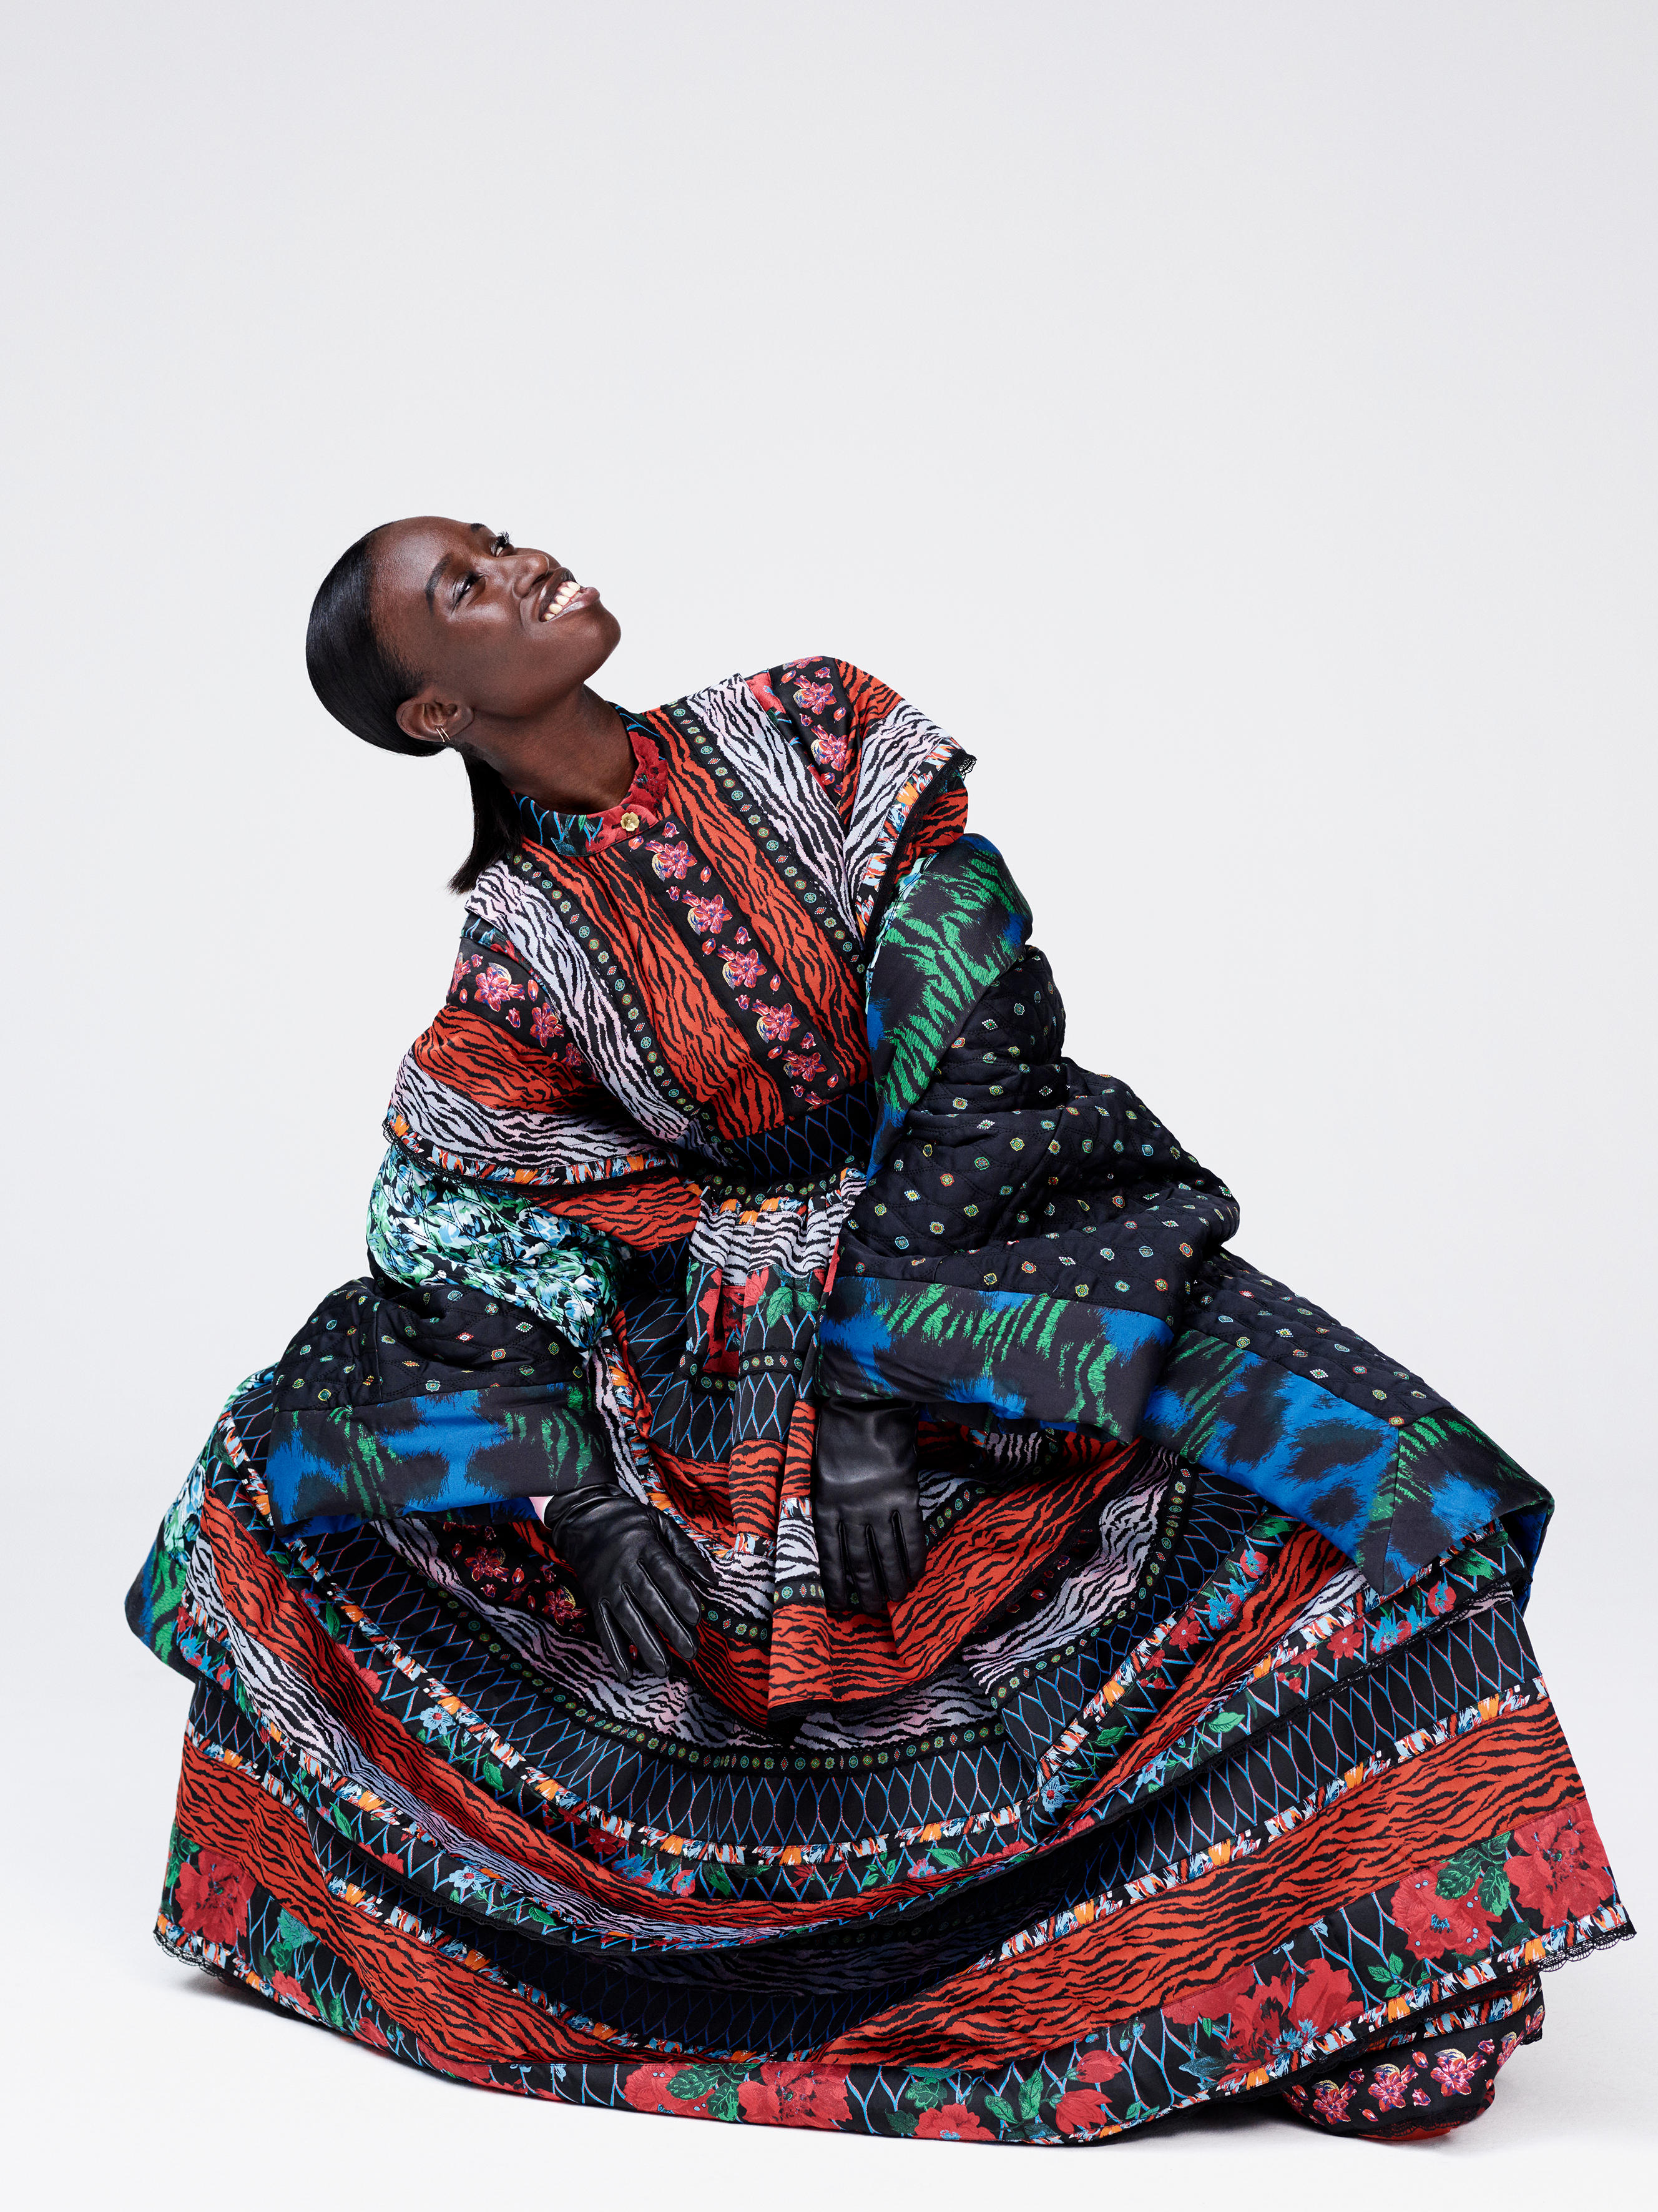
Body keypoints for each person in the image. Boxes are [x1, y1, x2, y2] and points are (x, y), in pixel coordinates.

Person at [127, 517, 1628, 2141]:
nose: (529, 565)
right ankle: (931, 1986)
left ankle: (1370, 1965)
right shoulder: (518, 949)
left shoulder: (817, 730)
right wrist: (581, 1496)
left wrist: (871, 1388)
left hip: (1000, 1241)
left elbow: (977, 1033)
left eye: (499, 540)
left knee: (1370, 1475)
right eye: (468, 589)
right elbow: (463, 1210)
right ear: (436, 713)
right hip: (723, 1333)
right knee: (296, 1452)